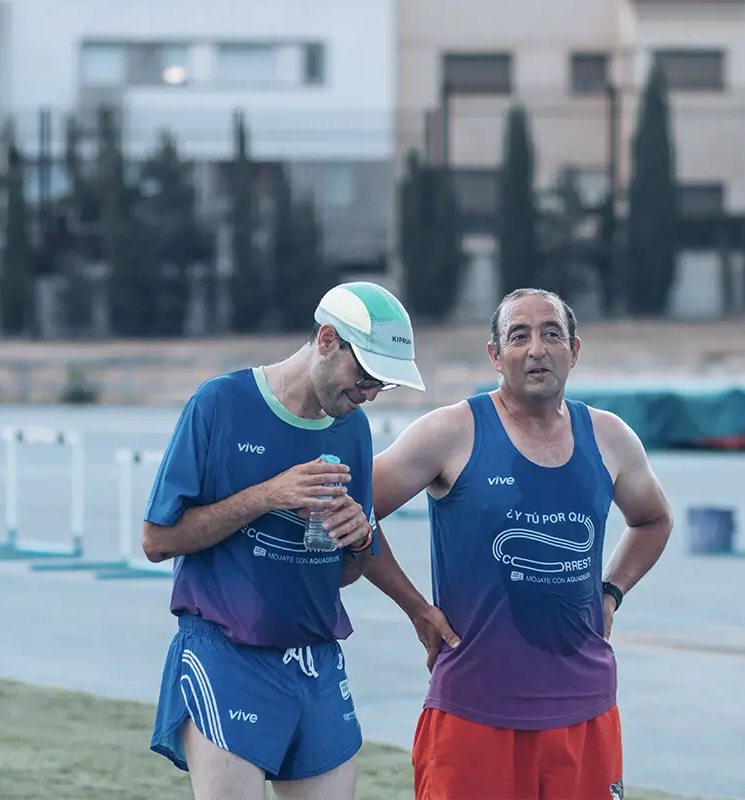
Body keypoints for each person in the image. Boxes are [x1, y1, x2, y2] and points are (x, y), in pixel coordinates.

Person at [364, 287, 673, 800]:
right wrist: (416, 607)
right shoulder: (450, 432)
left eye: (552, 334)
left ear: (573, 351)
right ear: (495, 355)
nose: (536, 349)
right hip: (474, 711)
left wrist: (612, 592)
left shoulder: (609, 437)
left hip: (585, 708)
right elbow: (353, 509)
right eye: (519, 336)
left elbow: (653, 520)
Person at [143, 281, 428, 800]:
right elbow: (157, 540)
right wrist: (268, 495)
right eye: (365, 376)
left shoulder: (352, 430)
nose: (367, 395)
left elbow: (341, 572)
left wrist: (359, 542)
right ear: (325, 340)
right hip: (227, 654)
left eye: (381, 386)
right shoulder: (220, 403)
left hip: (316, 660)